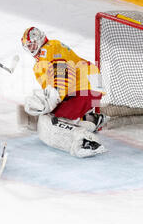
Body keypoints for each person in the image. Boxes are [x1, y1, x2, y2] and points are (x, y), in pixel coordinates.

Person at [20, 26, 108, 158]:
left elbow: (62, 71)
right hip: (87, 85)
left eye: (33, 44)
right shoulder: (44, 57)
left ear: (40, 40)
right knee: (55, 113)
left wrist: (53, 98)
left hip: (84, 87)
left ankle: (85, 142)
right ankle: (90, 119)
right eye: (28, 46)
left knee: (50, 120)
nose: (32, 49)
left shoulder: (49, 48)